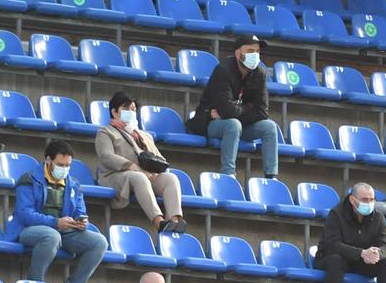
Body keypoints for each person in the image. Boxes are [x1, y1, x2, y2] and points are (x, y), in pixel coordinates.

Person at [9, 138, 107, 283]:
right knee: (51, 236)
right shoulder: (29, 179)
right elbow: (24, 214)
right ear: (48, 160)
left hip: (64, 231)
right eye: (61, 165)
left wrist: (81, 222)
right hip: (29, 229)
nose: (65, 169)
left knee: (99, 242)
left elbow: (80, 210)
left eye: (68, 166)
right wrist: (55, 222)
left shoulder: (73, 184)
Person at [186, 34, 279, 177]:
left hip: (237, 123)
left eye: (257, 51)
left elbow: (262, 112)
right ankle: (229, 174)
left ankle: (271, 177)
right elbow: (227, 110)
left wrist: (240, 110)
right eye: (250, 51)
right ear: (238, 53)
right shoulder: (223, 70)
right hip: (210, 121)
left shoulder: (260, 73)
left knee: (269, 126)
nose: (255, 55)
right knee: (233, 124)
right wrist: (249, 107)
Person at [95, 92, 185, 234]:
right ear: (114, 111)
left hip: (146, 175)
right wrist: (133, 167)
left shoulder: (144, 135)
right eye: (126, 109)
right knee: (139, 177)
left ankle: (174, 221)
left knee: (170, 178)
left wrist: (156, 169)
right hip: (116, 175)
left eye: (133, 109)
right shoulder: (106, 132)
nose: (131, 112)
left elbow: (160, 158)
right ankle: (159, 223)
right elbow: (106, 156)